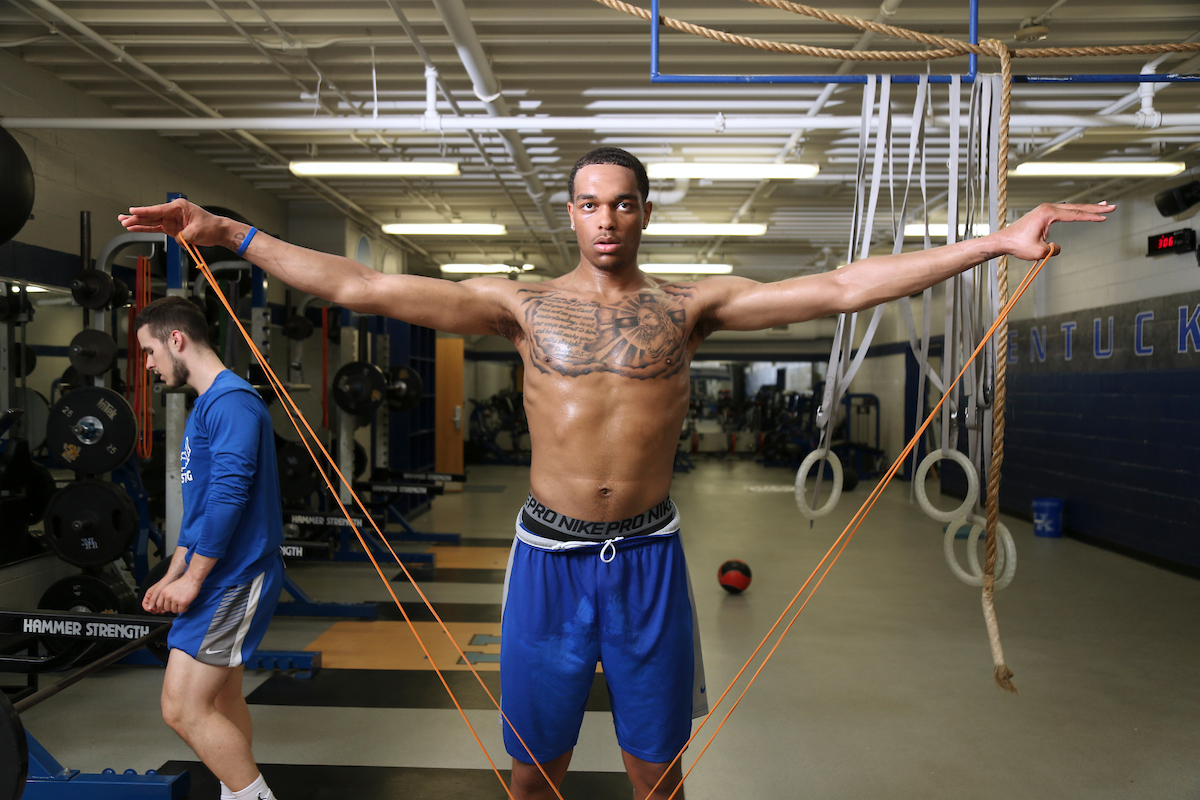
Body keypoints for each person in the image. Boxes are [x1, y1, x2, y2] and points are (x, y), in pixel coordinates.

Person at [120, 148, 1112, 799]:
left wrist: (994, 241)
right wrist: (228, 233)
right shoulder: (520, 307)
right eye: (590, 203)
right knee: (531, 769)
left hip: (647, 553)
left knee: (658, 765)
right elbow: (364, 281)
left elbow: (845, 284)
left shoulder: (689, 306)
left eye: (623, 202)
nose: (606, 219)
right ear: (573, 210)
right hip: (548, 554)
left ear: (643, 210)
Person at [136, 296, 285, 800]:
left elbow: (228, 497)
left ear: (175, 339)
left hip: (233, 577)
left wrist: (195, 580)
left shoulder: (231, 402)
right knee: (220, 700)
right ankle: (235, 792)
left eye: (150, 351)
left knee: (182, 707)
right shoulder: (210, 403)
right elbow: (199, 508)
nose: (150, 365)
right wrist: (173, 572)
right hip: (217, 574)